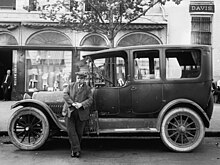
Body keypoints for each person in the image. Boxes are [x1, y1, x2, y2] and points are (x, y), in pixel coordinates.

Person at [62, 72, 93, 158]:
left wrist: (81, 104)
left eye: (82, 79)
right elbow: (65, 95)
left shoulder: (87, 89)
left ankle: (74, 150)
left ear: (84, 80)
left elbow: (90, 100)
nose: (80, 80)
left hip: (81, 113)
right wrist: (72, 103)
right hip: (69, 112)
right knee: (71, 132)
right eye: (78, 78)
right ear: (76, 79)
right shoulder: (70, 85)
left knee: (79, 133)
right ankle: (76, 150)